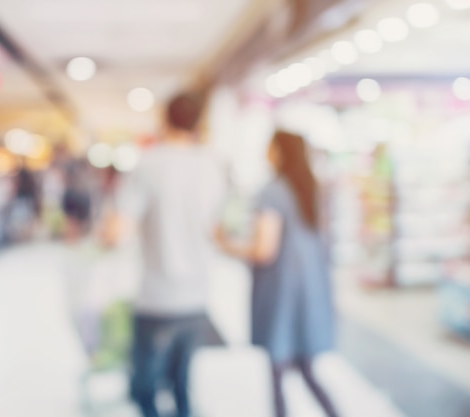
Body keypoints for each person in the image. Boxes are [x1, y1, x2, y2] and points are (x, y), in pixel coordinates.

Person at [102, 91, 226, 417]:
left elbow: (117, 233)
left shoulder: (148, 164)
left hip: (156, 298)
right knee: (182, 384)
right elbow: (218, 228)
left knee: (144, 388)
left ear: (164, 118)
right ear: (199, 122)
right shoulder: (212, 166)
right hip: (198, 295)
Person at [216, 131, 339, 417]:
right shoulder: (310, 190)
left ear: (280, 152)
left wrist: (223, 243)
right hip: (308, 293)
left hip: (281, 293)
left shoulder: (272, 192)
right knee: (306, 368)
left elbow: (263, 249)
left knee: (278, 372)